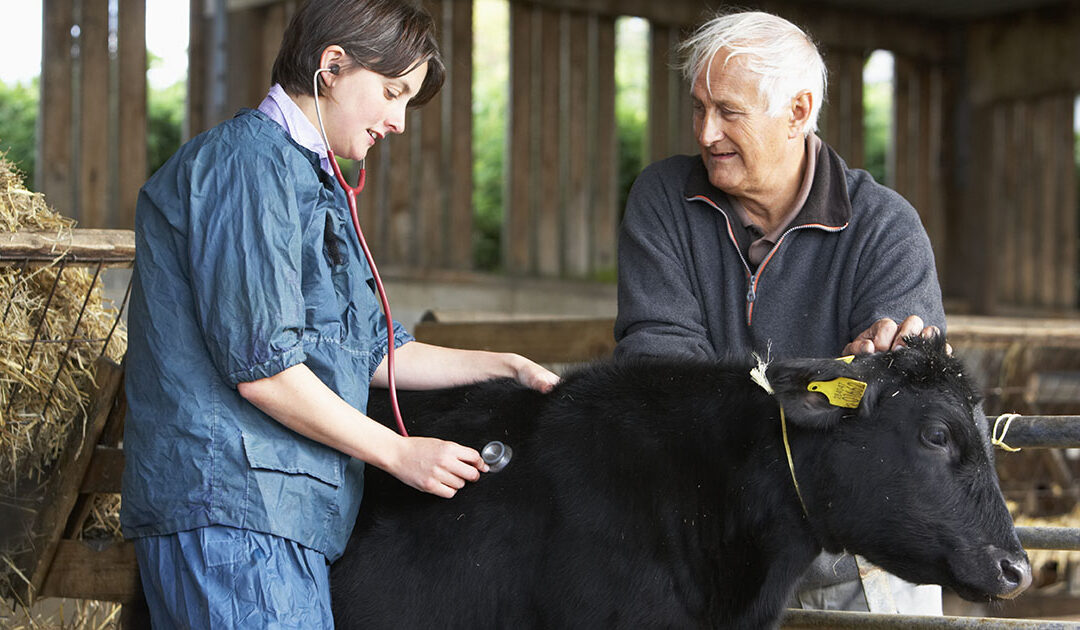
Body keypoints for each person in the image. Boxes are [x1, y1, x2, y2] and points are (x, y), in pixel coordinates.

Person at [120, 1, 558, 626]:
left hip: (278, 516)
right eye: (392, 92)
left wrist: (503, 364)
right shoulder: (247, 166)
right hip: (231, 511)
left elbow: (372, 347)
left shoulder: (311, 181)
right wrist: (399, 452)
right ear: (332, 66)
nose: (400, 121)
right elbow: (263, 368)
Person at [614, 10, 945, 615]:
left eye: (729, 112)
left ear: (797, 112)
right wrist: (832, 386)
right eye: (698, 107)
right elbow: (658, 369)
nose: (705, 132)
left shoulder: (885, 227)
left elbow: (900, 399)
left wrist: (885, 372)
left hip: (855, 554)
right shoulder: (662, 200)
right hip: (709, 538)